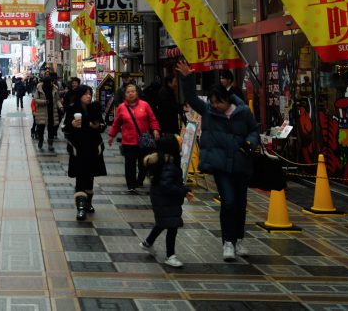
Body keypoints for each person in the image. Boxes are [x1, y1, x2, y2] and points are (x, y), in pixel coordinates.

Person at [177, 60, 259, 261]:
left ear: (228, 100)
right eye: (212, 103)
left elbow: (254, 130)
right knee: (228, 202)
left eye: (218, 102)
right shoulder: (209, 112)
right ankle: (228, 243)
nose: (215, 106)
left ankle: (239, 240)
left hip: (241, 164)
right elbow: (191, 98)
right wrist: (188, 78)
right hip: (221, 165)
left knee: (240, 204)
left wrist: (249, 144)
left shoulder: (243, 113)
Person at [139, 133, 194, 268]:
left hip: (162, 200)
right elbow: (167, 185)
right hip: (166, 200)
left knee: (162, 222)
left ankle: (147, 242)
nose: (182, 145)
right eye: (179, 143)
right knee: (172, 226)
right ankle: (170, 256)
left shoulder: (164, 161)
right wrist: (183, 191)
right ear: (172, 147)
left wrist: (184, 190)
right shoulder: (169, 164)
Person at [107, 82, 161, 191]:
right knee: (130, 164)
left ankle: (139, 180)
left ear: (137, 93)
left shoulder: (144, 105)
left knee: (143, 164)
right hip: (128, 141)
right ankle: (131, 184)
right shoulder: (122, 107)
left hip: (143, 141)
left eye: (133, 91)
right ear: (125, 95)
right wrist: (111, 135)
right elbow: (116, 123)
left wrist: (155, 129)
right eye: (128, 92)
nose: (131, 94)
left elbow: (152, 119)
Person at [63, 85, 106, 220]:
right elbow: (64, 128)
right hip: (78, 148)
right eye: (86, 94)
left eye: (90, 94)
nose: (88, 96)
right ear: (79, 95)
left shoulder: (94, 108)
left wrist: (97, 126)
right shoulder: (72, 108)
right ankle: (80, 208)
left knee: (90, 176)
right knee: (81, 176)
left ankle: (88, 203)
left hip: (93, 147)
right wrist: (72, 125)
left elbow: (103, 125)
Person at [33, 76, 62, 151]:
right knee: (41, 128)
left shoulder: (55, 89)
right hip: (42, 111)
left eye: (51, 82)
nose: (51, 83)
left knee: (51, 129)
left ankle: (50, 144)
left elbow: (57, 100)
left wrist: (61, 107)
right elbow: (35, 99)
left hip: (52, 111)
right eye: (49, 82)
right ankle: (41, 140)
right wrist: (44, 102)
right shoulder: (39, 89)